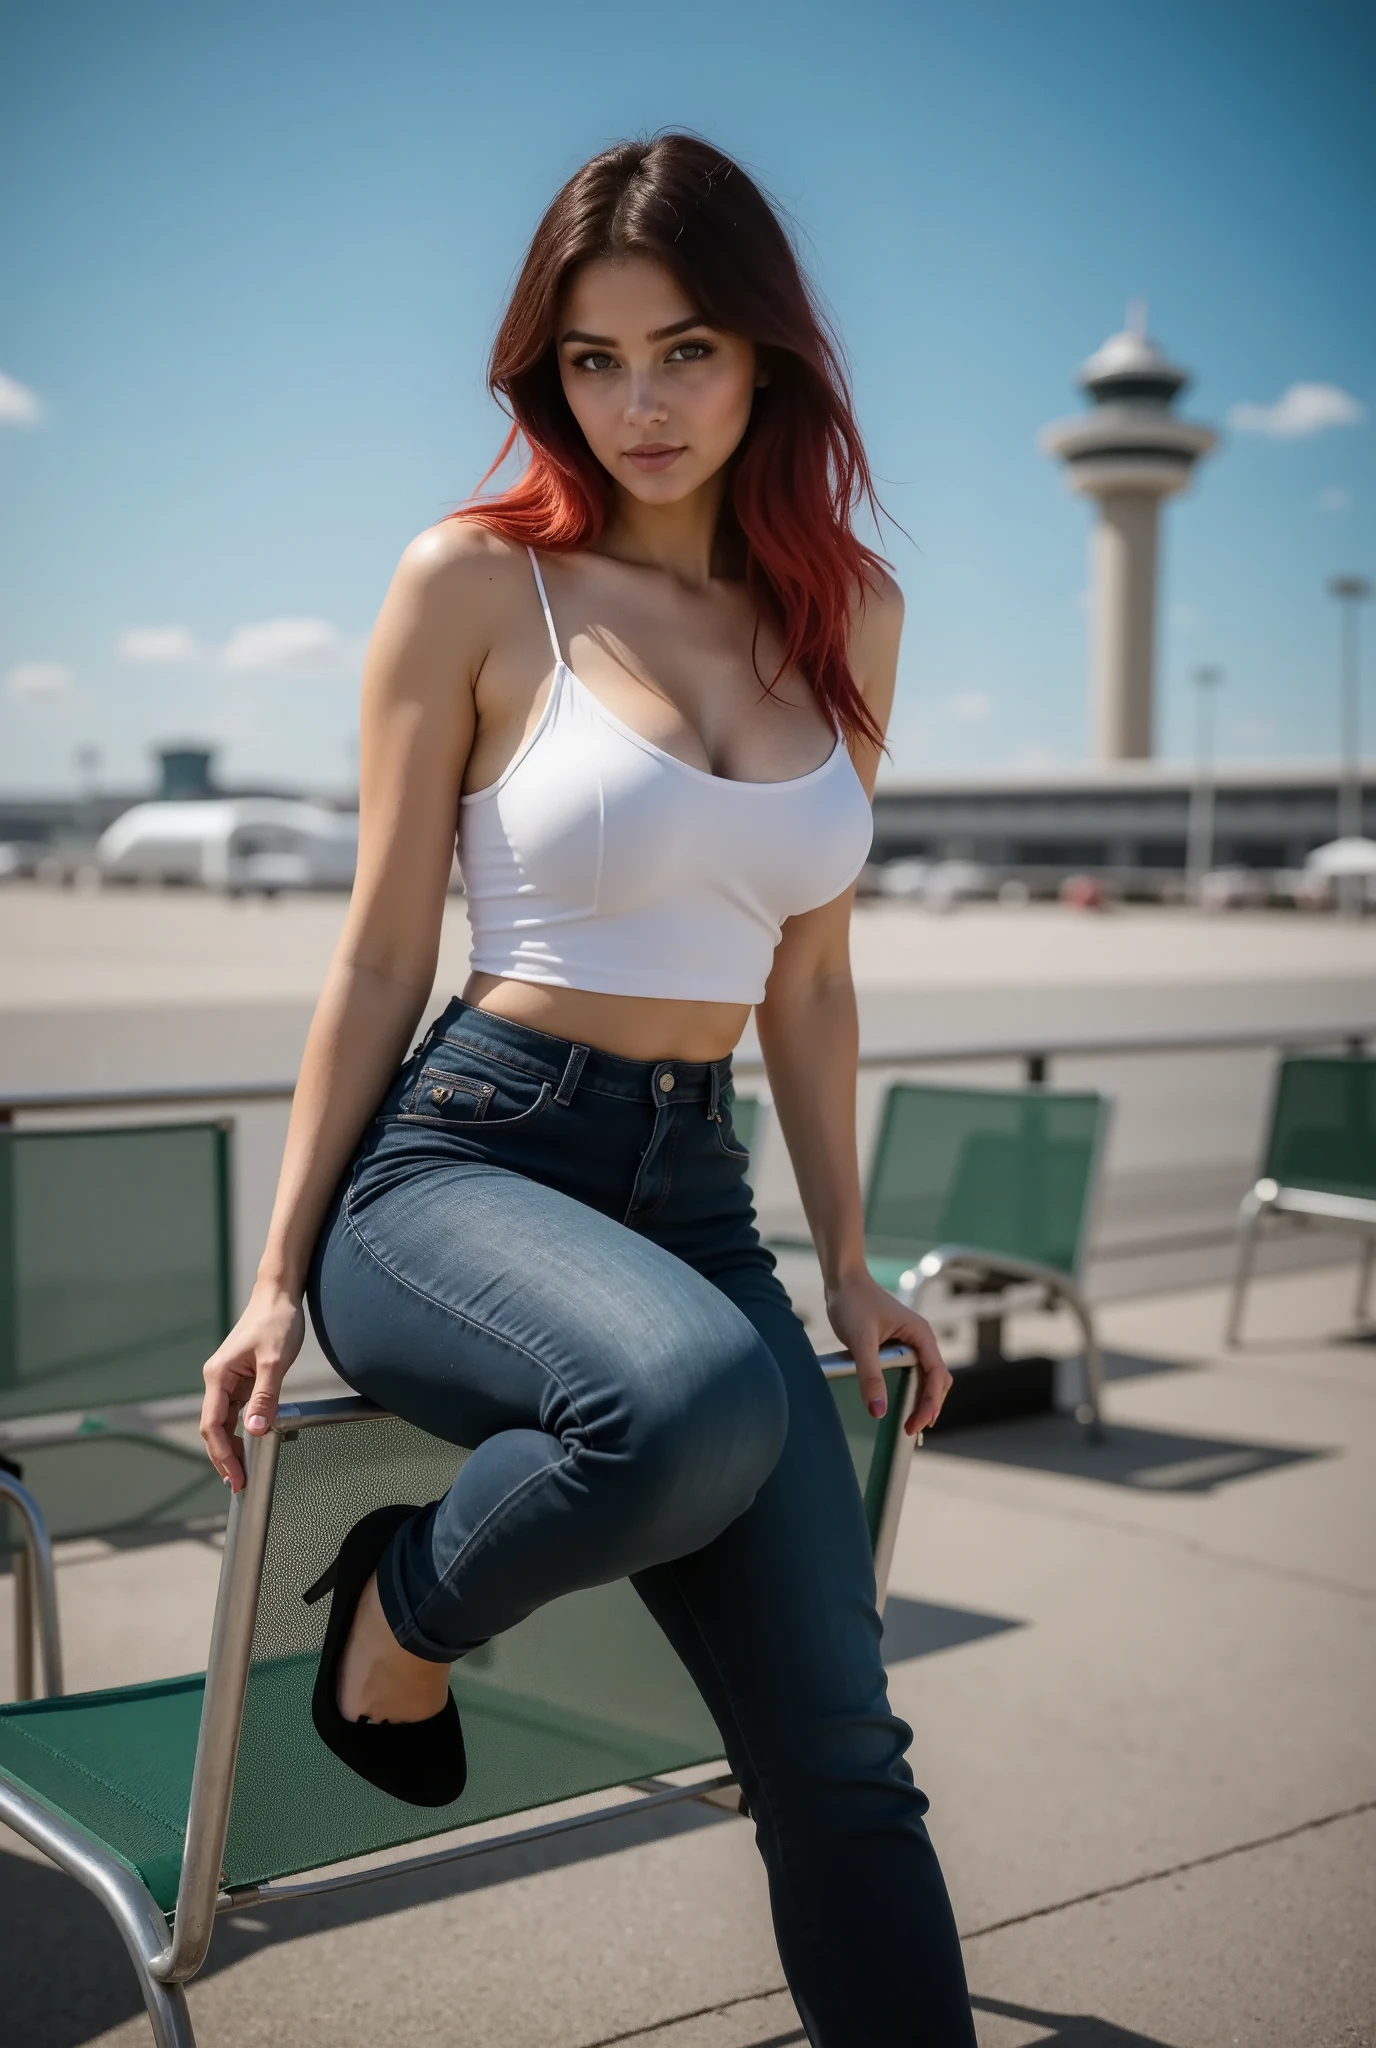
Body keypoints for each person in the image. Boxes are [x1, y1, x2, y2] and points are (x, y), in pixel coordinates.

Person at [200, 133, 975, 2044]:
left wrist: (854, 1263)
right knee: (690, 1393)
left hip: (689, 1196)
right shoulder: (476, 587)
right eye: (593, 358)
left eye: (687, 349)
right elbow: (382, 956)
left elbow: (812, 981)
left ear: (771, 360)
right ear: (546, 371)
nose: (638, 402)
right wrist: (278, 1277)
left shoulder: (849, 615)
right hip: (459, 1172)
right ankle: (396, 1613)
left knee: (847, 1756)